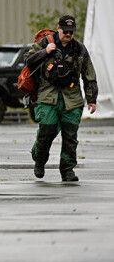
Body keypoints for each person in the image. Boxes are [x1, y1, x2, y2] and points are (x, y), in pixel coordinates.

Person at [24, 15, 98, 182]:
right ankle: (39, 160)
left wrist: (92, 98)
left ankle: (68, 170)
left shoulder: (79, 49)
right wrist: (45, 52)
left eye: (71, 32)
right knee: (47, 133)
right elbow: (28, 61)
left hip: (72, 99)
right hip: (48, 96)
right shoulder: (44, 43)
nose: (68, 34)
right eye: (65, 31)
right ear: (58, 28)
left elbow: (89, 74)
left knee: (70, 136)